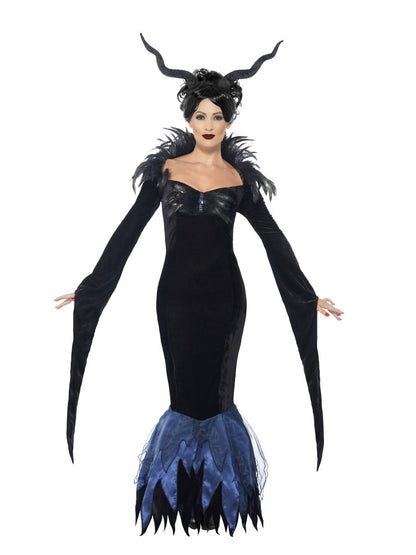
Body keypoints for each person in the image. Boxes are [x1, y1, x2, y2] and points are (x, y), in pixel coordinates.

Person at [54, 33, 343, 537]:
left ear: (229, 121)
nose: (209, 124)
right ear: (189, 119)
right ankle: (182, 497)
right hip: (175, 303)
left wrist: (306, 294)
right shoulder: (166, 172)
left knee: (218, 395)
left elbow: (274, 240)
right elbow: (128, 230)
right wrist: (93, 285)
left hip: (226, 303)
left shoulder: (239, 179)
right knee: (185, 395)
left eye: (218, 116)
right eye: (201, 115)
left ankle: (221, 501)